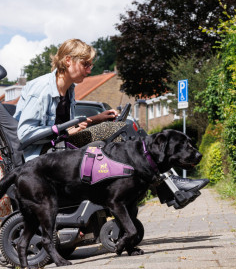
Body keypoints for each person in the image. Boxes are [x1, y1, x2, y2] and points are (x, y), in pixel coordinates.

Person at [13, 38, 207, 191]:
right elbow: (26, 134)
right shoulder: (41, 90)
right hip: (44, 154)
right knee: (107, 152)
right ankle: (166, 185)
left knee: (121, 127)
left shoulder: (69, 88)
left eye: (90, 65)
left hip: (62, 143)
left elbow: (68, 126)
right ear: (68, 60)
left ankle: (170, 181)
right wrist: (63, 132)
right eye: (85, 64)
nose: (90, 70)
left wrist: (97, 119)